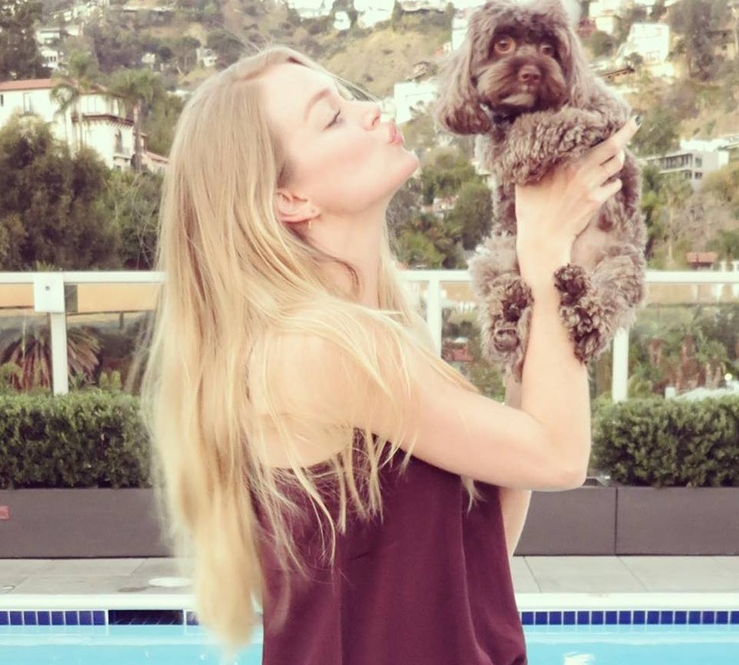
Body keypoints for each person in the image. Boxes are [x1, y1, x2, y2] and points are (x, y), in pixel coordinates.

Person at [139, 45, 639, 664]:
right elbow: (559, 457)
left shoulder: (384, 334)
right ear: (289, 199)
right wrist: (545, 250)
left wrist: (547, 269)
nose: (371, 110)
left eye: (350, 99)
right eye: (332, 117)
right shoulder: (317, 348)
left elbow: (477, 548)